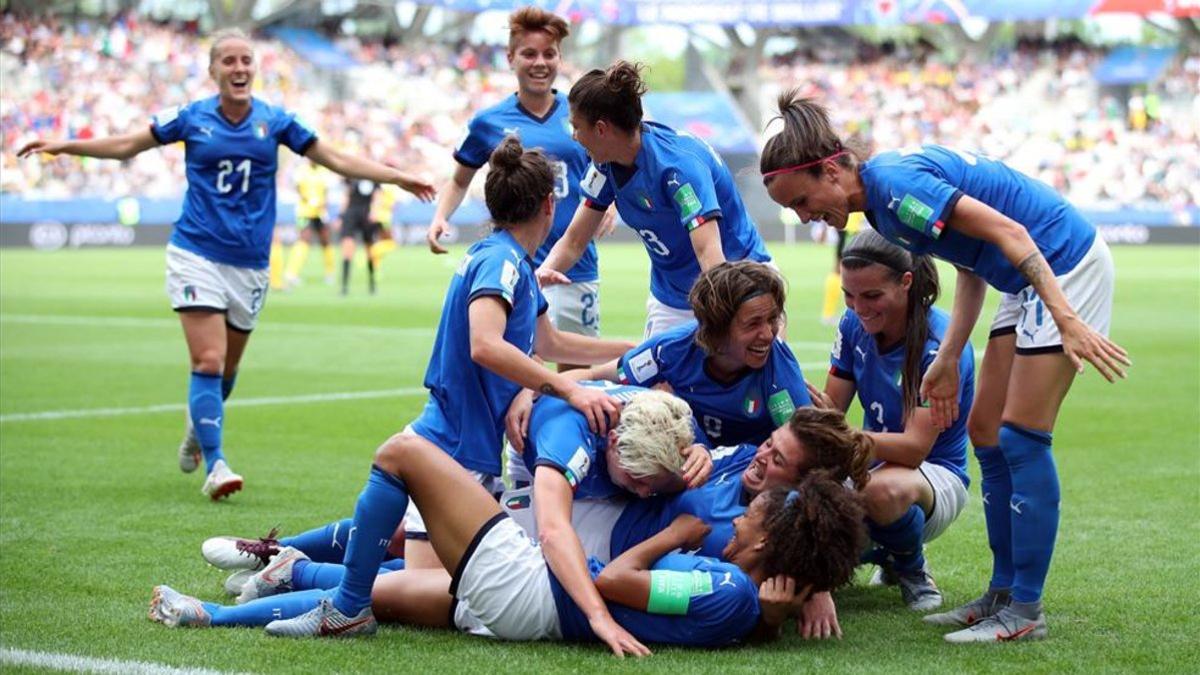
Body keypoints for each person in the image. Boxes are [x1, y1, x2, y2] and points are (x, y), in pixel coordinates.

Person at [760, 92, 1130, 642]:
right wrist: (951, 355)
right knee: (986, 432)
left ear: (832, 169)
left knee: (1023, 437)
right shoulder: (882, 205)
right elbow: (972, 262)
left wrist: (1065, 315)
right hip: (1021, 280)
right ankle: (1001, 594)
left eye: (802, 200)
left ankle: (1025, 611)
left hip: (1061, 266)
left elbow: (1012, 234)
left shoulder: (894, 185)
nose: (805, 215)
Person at [16, 28, 436, 500]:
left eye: (246, 61)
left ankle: (198, 429)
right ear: (213, 70)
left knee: (226, 371)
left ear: (255, 68)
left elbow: (334, 157)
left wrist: (396, 176)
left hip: (250, 264)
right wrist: (65, 145)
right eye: (229, 61)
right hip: (196, 252)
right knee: (209, 359)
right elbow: (127, 145)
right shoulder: (191, 118)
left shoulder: (276, 121)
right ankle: (216, 465)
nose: (239, 69)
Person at [149, 430, 865, 655]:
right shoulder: (737, 594)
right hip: (531, 602)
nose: (740, 516)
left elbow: (614, 582)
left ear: (775, 536)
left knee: (406, 452)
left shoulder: (728, 586)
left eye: (757, 514)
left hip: (534, 593)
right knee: (392, 592)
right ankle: (215, 612)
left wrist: (674, 534)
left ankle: (332, 595)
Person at [538, 60, 773, 339]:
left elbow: (709, 254)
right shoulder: (604, 166)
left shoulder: (678, 168)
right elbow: (574, 241)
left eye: (576, 127)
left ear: (601, 129)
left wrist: (723, 323)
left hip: (735, 283)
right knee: (655, 382)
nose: (574, 137)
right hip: (671, 297)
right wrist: (535, 280)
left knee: (746, 380)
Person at [806, 229, 974, 613]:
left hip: (932, 476)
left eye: (871, 296)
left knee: (879, 493)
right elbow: (833, 407)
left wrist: (843, 436)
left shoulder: (939, 344)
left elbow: (915, 448)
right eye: (849, 295)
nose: (858, 307)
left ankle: (913, 568)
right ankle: (882, 552)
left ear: (906, 282)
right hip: (869, 463)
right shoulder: (852, 325)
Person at [426, 7, 603, 370]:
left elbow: (609, 169)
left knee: (580, 378)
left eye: (549, 53)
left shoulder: (580, 114)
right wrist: (440, 216)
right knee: (521, 383)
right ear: (510, 58)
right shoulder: (488, 122)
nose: (540, 63)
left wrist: (611, 207)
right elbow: (460, 179)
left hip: (576, 269)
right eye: (529, 54)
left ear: (559, 57)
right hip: (517, 269)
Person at [510, 261, 810, 449]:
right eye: (753, 324)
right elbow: (591, 376)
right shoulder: (671, 351)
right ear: (717, 329)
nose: (769, 335)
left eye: (772, 320)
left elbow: (801, 448)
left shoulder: (777, 371)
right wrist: (532, 390)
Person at [283, 160, 336, 288]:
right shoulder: (301, 171)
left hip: (320, 212)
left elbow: (326, 192)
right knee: (303, 240)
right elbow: (298, 189)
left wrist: (323, 204)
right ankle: (291, 273)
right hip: (304, 212)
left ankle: (330, 273)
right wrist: (310, 200)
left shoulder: (324, 171)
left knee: (326, 241)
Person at [338, 176, 382, 295]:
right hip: (351, 214)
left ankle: (372, 283)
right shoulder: (351, 174)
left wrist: (374, 211)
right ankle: (344, 286)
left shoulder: (374, 175)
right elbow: (346, 195)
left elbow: (377, 196)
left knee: (370, 250)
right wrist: (341, 216)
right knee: (347, 248)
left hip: (366, 214)